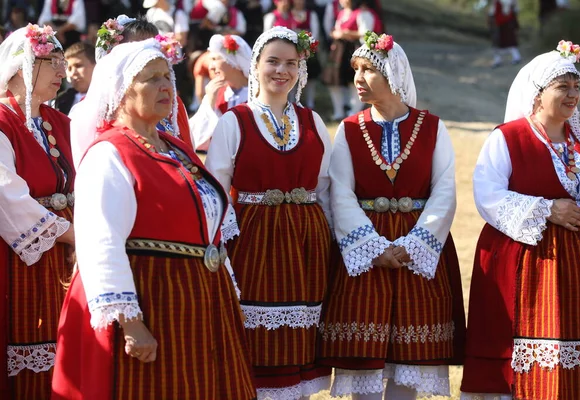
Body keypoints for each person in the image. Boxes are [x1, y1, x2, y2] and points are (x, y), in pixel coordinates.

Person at [50, 37, 256, 400]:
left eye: (167, 76)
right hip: (155, 295)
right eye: (152, 79)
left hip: (197, 296)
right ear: (122, 91)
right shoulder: (110, 154)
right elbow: (101, 243)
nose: (166, 85)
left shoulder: (174, 147)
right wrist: (131, 323)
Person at [317, 31, 465, 400]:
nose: (359, 79)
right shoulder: (349, 130)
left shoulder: (432, 127)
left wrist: (415, 245)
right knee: (363, 355)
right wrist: (372, 247)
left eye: (369, 69)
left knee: (409, 362)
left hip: (416, 255)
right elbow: (341, 193)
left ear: (394, 75)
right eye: (356, 70)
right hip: (366, 255)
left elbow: (444, 191)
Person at [461, 41, 580, 399]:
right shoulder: (508, 138)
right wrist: (548, 209)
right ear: (538, 95)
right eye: (562, 87)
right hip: (529, 266)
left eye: (576, 87)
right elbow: (487, 195)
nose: (572, 95)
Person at [206, 26, 333, 400]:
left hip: (306, 241)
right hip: (254, 241)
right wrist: (223, 246)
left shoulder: (313, 122)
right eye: (273, 61)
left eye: (291, 63)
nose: (282, 71)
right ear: (255, 65)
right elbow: (215, 189)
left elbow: (326, 187)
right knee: (257, 338)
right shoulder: (235, 120)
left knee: (300, 339)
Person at [0, 24, 75, 400]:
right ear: (20, 67)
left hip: (68, 255)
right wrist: (73, 235)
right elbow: (6, 196)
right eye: (52, 61)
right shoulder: (1, 123)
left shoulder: (59, 122)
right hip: (24, 261)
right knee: (33, 339)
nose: (63, 72)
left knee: (72, 346)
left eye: (63, 62)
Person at [70, 15, 193, 167]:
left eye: (155, 47)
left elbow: (190, 153)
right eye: (139, 50)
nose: (150, 56)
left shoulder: (173, 104)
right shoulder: (88, 111)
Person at [189, 34, 250, 152]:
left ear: (234, 62)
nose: (211, 67)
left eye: (215, 59)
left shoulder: (258, 95)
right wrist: (209, 104)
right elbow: (194, 138)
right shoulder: (218, 94)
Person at [323, 0, 382, 121]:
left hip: (354, 50)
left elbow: (366, 34)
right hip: (339, 51)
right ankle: (338, 111)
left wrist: (345, 33)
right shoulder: (342, 13)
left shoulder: (362, 13)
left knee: (354, 81)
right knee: (334, 81)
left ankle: (354, 111)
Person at [290, 0, 320, 109]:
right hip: (292, 49)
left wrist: (307, 44)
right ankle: (292, 101)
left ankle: (310, 102)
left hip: (307, 49)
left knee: (310, 76)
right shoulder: (289, 14)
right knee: (292, 74)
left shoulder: (310, 14)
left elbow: (315, 32)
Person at [56, 41, 95, 115]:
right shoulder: (61, 100)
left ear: (96, 65)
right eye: (69, 68)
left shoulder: (110, 96)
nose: (73, 73)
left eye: (78, 65)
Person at [489, 0, 521, 68]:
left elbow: (514, 12)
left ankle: (516, 58)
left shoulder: (511, 2)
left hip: (507, 24)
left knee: (510, 41)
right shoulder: (497, 2)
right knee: (497, 43)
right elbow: (493, 13)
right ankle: (497, 60)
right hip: (499, 25)